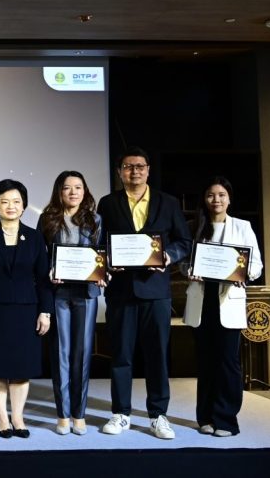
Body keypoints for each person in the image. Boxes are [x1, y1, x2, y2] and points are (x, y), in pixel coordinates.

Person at [97, 146, 191, 439]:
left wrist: (168, 256)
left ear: (148, 170)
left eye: (139, 166)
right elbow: (99, 243)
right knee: (121, 355)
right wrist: (107, 262)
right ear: (119, 172)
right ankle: (121, 413)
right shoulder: (107, 203)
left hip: (156, 291)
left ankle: (158, 415)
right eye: (128, 167)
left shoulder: (168, 202)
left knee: (157, 356)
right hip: (121, 290)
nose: (134, 171)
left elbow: (184, 241)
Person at [0, 179, 51, 439]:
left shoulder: (35, 237)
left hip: (27, 310)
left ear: (24, 205)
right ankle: (2, 417)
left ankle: (17, 416)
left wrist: (45, 311)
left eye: (16, 201)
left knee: (21, 366)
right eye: (4, 201)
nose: (10, 206)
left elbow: (43, 278)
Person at [182, 176, 262, 437]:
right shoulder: (193, 227)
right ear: (204, 200)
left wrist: (242, 273)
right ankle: (205, 417)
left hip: (228, 300)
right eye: (210, 195)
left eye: (221, 195)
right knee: (206, 362)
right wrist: (189, 270)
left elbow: (256, 265)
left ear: (229, 199)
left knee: (227, 362)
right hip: (202, 300)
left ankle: (226, 420)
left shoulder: (242, 227)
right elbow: (183, 262)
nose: (215, 199)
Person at [38, 170, 104, 436]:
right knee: (61, 355)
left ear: (84, 191)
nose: (73, 192)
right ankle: (63, 414)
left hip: (86, 293)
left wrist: (103, 272)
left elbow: (101, 254)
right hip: (59, 293)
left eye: (78, 187)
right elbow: (41, 255)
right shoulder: (48, 219)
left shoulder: (95, 219)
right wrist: (49, 269)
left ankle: (79, 414)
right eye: (67, 187)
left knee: (82, 355)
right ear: (59, 191)